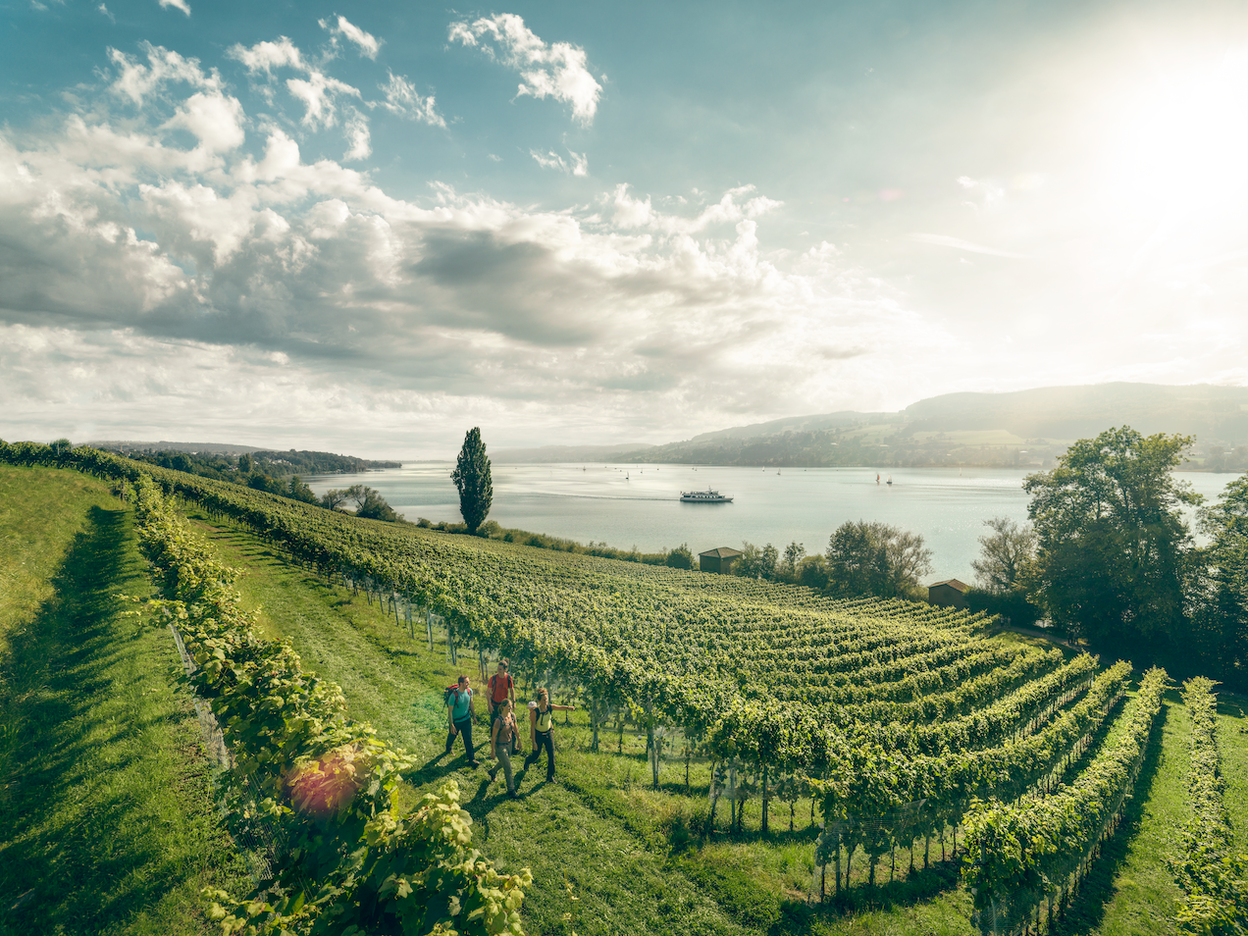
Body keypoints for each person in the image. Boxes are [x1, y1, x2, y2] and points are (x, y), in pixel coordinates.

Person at [522, 688, 575, 782]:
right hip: (538, 734)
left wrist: (568, 707)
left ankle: (550, 776)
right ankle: (528, 760)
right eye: (543, 700)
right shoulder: (535, 712)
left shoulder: (550, 707)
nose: (546, 701)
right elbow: (532, 727)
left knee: (551, 755)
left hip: (548, 733)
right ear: (539, 701)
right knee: (536, 755)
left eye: (546, 699)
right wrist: (534, 742)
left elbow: (559, 707)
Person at [444, 675, 479, 767]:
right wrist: (451, 724)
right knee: (452, 736)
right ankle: (448, 747)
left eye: (468, 682)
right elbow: (450, 711)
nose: (468, 684)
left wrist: (474, 715)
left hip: (466, 719)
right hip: (456, 721)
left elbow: (471, 703)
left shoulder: (469, 691)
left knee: (468, 739)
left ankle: (472, 759)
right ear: (461, 683)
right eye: (466, 682)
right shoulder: (453, 696)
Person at [487, 698, 519, 798]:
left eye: (511, 706)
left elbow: (516, 729)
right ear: (503, 707)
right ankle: (511, 790)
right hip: (500, 747)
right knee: (508, 767)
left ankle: (492, 771)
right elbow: (493, 737)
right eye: (508, 706)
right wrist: (492, 751)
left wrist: (519, 741)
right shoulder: (498, 720)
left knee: (503, 762)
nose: (510, 708)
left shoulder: (512, 716)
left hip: (509, 744)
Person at [487, 659, 515, 724]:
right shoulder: (493, 678)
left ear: (505, 669)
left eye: (500, 669)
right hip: (494, 704)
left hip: (504, 705)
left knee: (504, 723)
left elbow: (511, 690)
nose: (498, 670)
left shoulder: (508, 678)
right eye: (498, 668)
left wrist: (513, 702)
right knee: (494, 724)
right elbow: (488, 692)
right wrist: (489, 704)